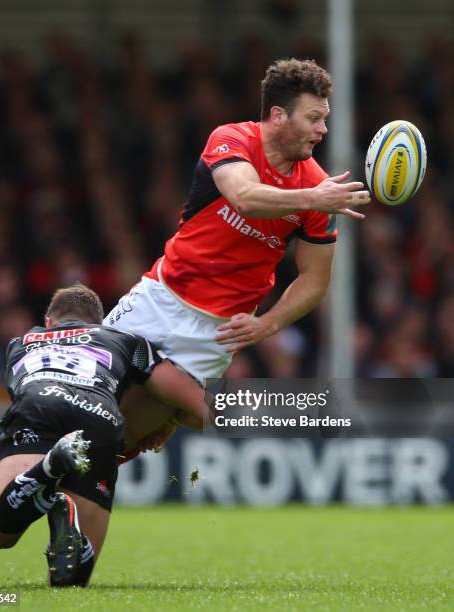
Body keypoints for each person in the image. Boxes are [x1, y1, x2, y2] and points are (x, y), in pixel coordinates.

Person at [104, 57, 370, 445]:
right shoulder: (232, 139)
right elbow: (244, 197)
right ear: (278, 116)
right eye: (313, 118)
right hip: (159, 297)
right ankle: (34, 481)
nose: (322, 130)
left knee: (124, 439)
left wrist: (269, 324)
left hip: (216, 333)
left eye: (324, 119)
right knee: (82, 402)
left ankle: (63, 490)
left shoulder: (318, 189)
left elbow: (315, 279)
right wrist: (313, 197)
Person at [0, 283, 208, 587]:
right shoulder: (125, 340)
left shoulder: (20, 342)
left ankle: (49, 469)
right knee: (69, 583)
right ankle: (61, 489)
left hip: (39, 403)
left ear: (49, 321)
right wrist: (168, 423)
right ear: (98, 323)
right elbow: (195, 406)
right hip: (100, 418)